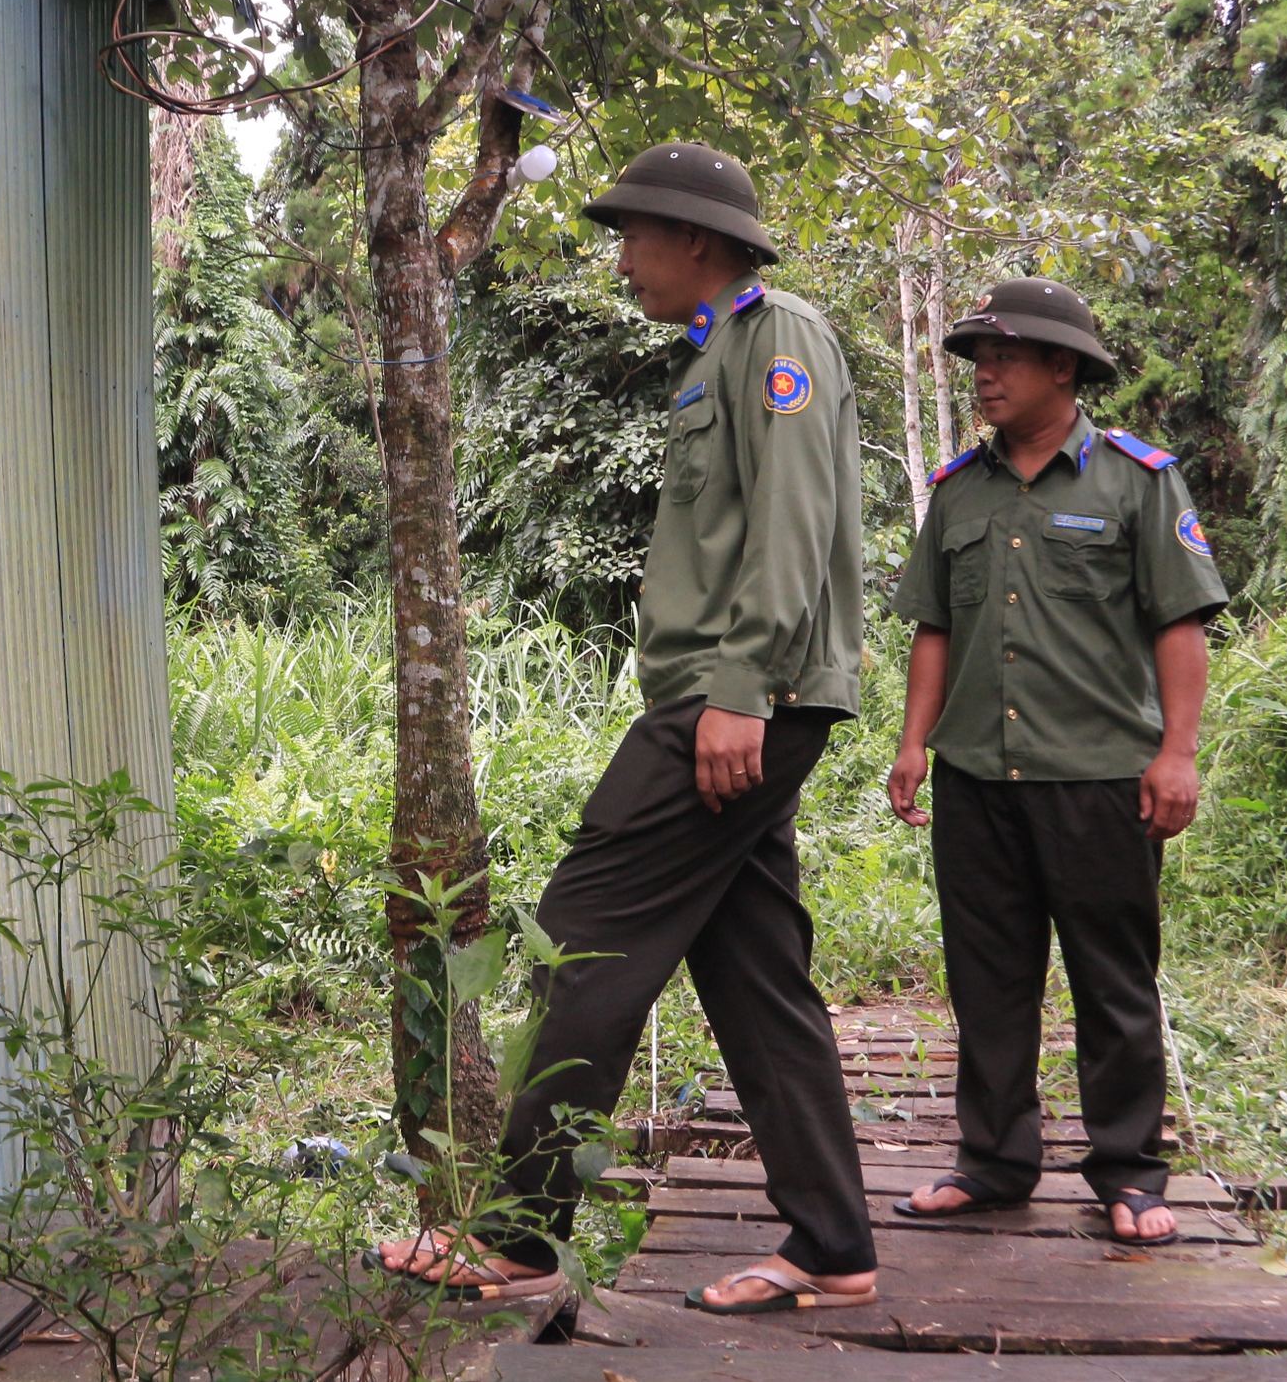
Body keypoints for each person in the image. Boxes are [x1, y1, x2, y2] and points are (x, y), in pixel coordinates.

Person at [375, 142, 878, 1313]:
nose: (623, 260)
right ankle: (834, 1248)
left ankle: (513, 1237)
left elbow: (792, 529)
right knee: (757, 979)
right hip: (726, 699)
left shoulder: (777, 338)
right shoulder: (719, 354)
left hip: (737, 700)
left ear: (697, 239)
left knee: (582, 937)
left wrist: (740, 688)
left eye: (634, 236)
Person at [884, 277, 1227, 1247]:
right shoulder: (960, 491)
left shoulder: (1137, 480)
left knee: (1112, 981)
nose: (985, 376)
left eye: (1007, 359)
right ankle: (993, 1161)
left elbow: (1181, 627)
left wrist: (1176, 755)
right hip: (977, 779)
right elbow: (934, 629)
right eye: (979, 360)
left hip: (1100, 779)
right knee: (986, 978)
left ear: (1063, 368)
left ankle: (1127, 1172)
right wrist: (913, 744)